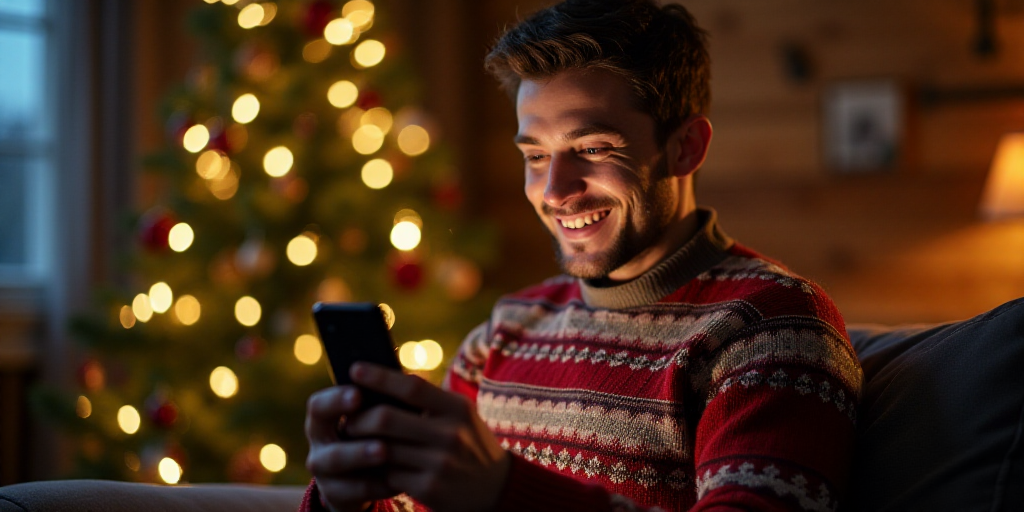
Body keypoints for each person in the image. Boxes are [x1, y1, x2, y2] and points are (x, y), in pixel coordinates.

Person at [301, 0, 863, 510]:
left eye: (591, 149)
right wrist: (344, 498)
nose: (553, 191)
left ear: (685, 146)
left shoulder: (772, 326)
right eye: (536, 155)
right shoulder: (504, 333)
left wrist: (504, 493)